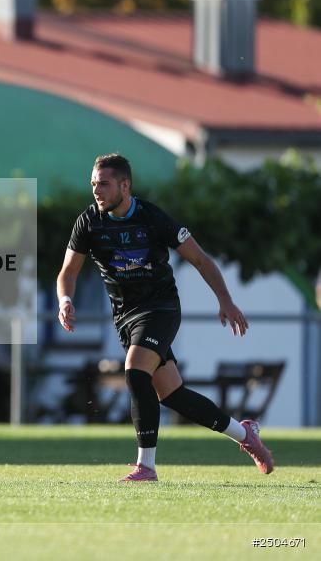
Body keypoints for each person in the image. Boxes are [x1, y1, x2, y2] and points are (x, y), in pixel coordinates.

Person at [56, 153, 274, 482]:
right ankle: (246, 434)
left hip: (161, 309)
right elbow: (67, 272)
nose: (96, 191)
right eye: (93, 184)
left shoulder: (153, 218)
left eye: (103, 183)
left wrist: (225, 300)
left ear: (125, 186)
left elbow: (200, 259)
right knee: (172, 395)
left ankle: (146, 466)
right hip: (126, 317)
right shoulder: (88, 223)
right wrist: (65, 300)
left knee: (134, 370)